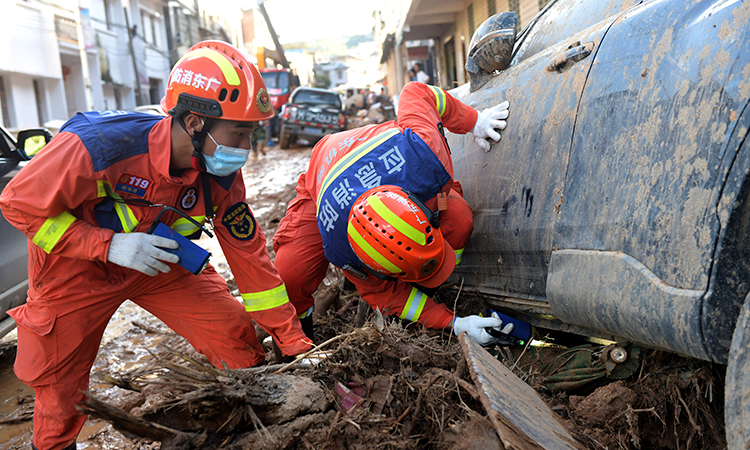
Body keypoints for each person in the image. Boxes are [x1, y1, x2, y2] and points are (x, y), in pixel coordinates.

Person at [0, 40, 312, 450]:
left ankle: (247, 428)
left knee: (234, 335)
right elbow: (18, 205)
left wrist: (295, 344)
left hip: (160, 263)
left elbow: (251, 261)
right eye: (239, 132)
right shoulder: (97, 146)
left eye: (250, 133)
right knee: (59, 392)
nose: (246, 147)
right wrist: (107, 246)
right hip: (75, 272)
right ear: (196, 122)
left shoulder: (218, 174)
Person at [272, 81, 512, 348]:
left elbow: (416, 92)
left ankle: (434, 286)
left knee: (458, 219)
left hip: (386, 156)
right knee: (291, 276)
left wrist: (474, 121)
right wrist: (452, 322)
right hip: (323, 177)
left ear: (422, 210)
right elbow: (385, 294)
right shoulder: (340, 245)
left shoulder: (426, 152)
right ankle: (296, 340)